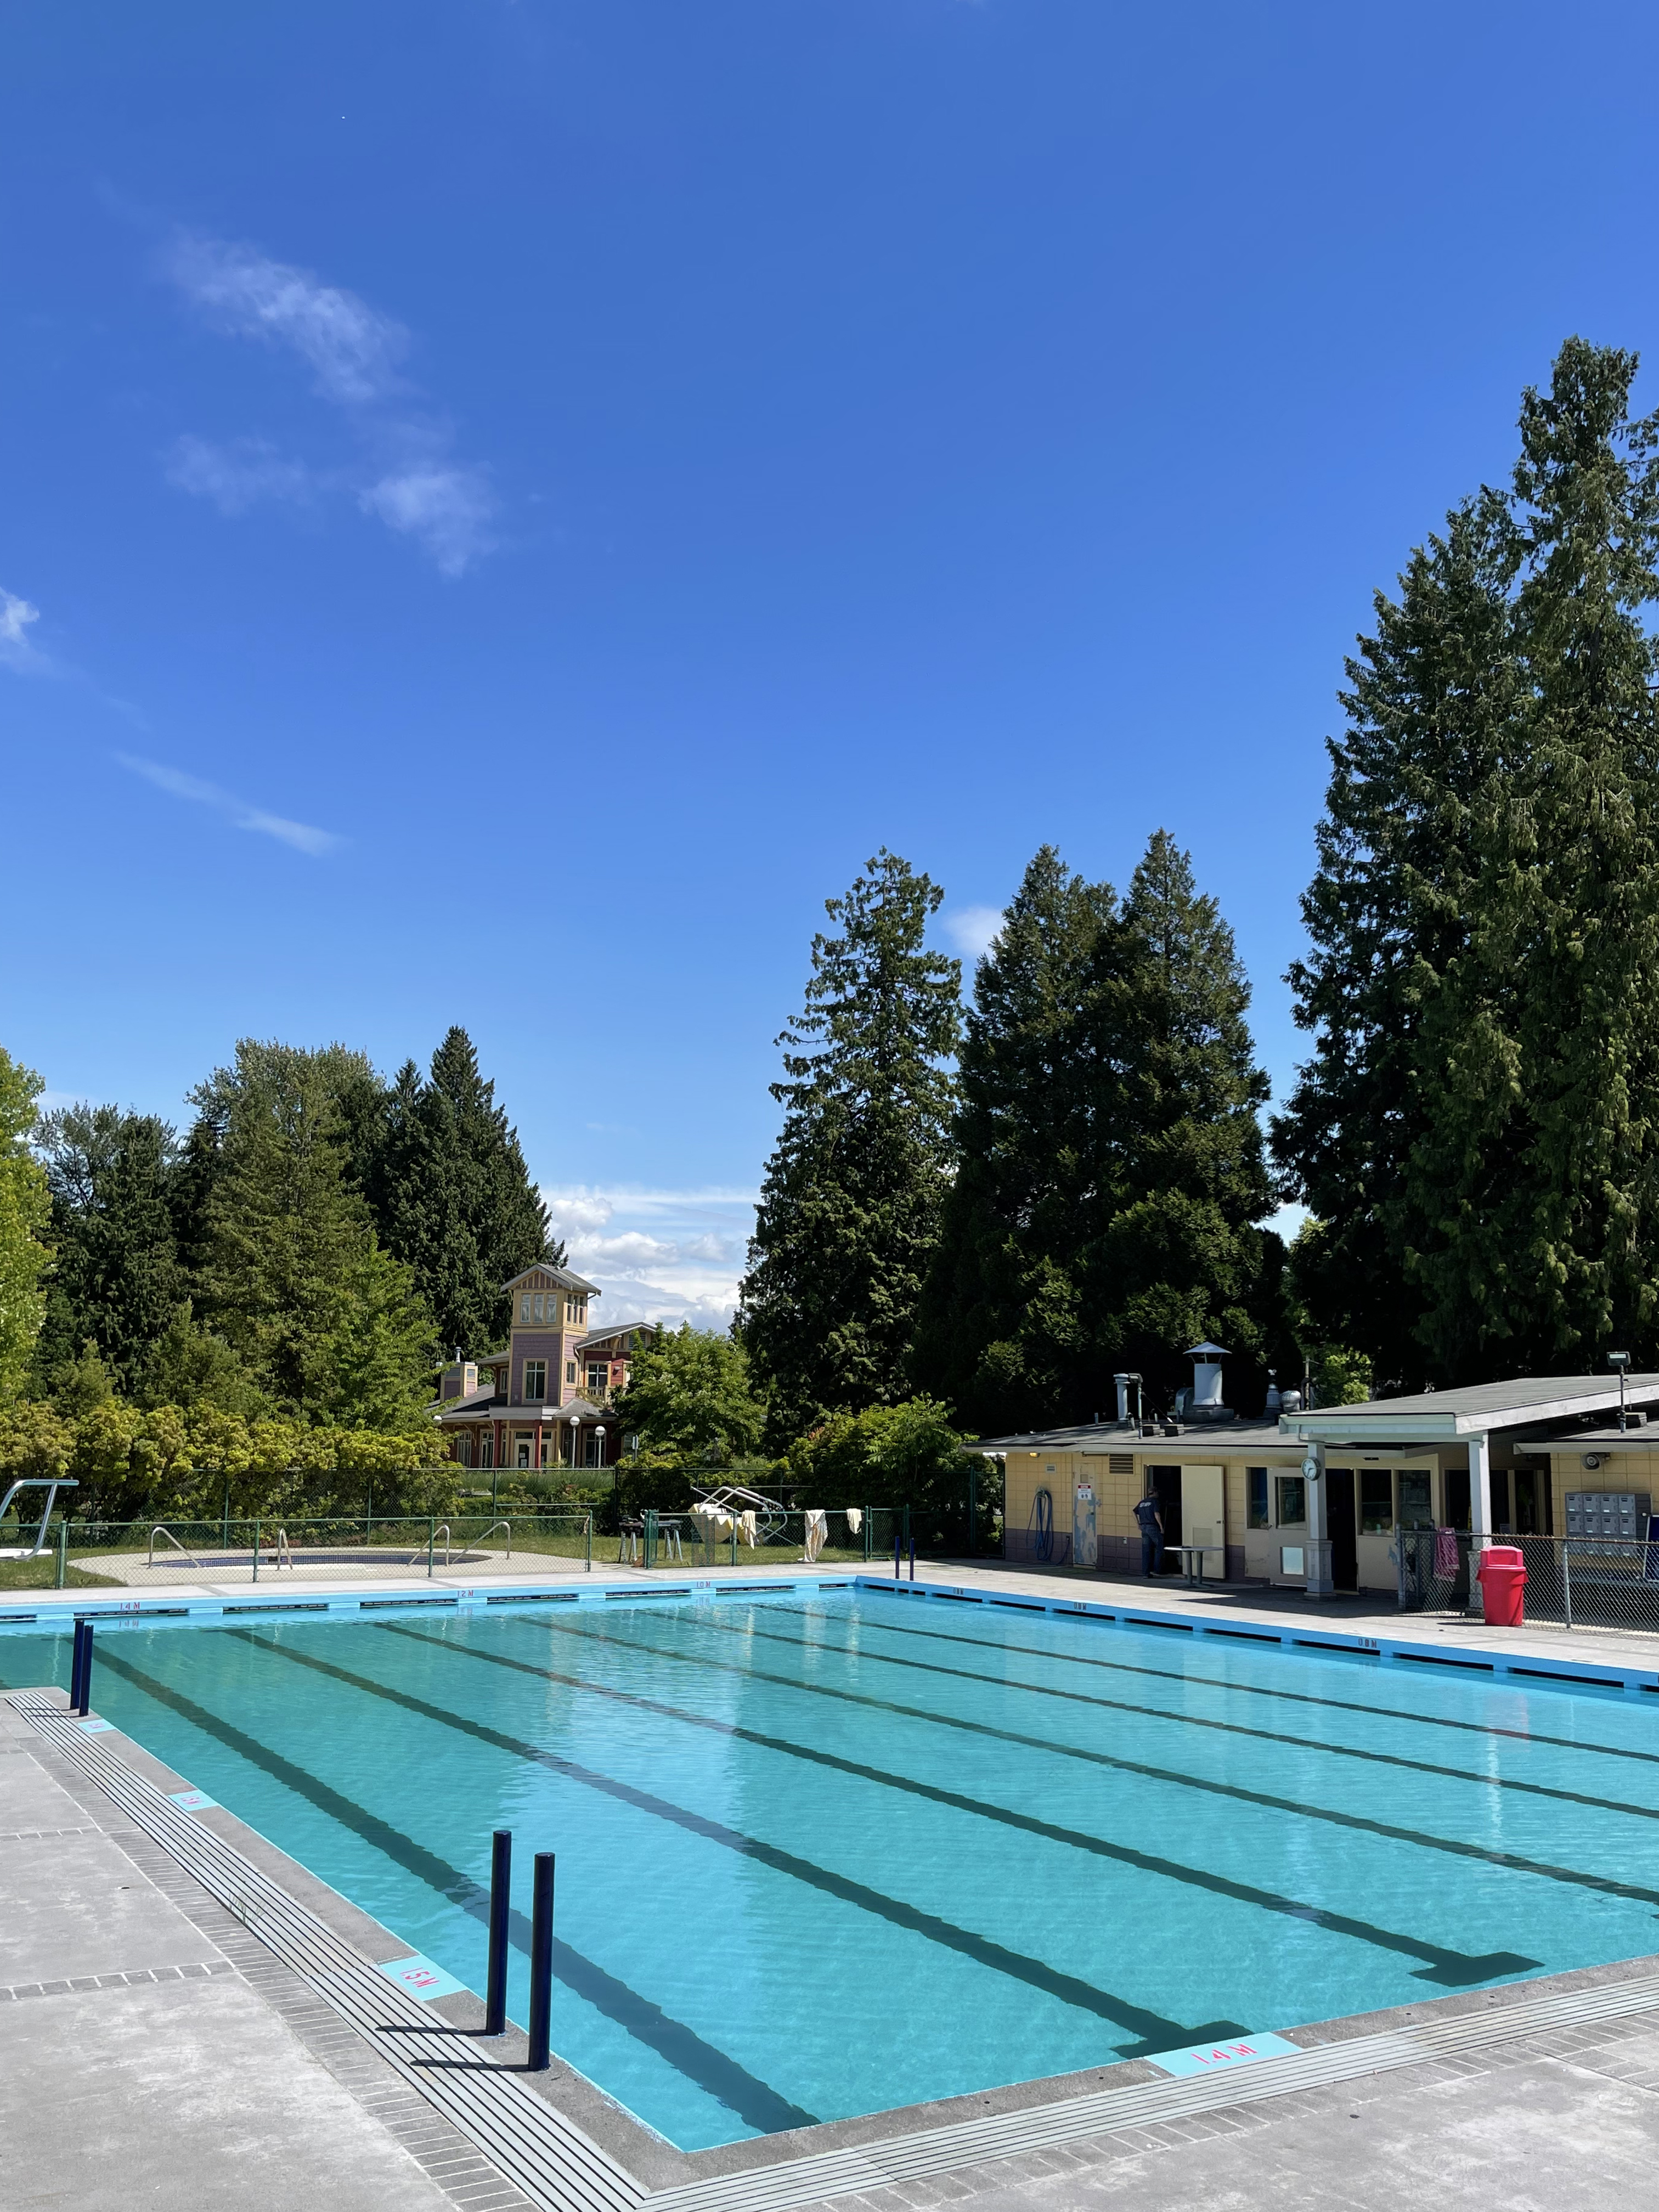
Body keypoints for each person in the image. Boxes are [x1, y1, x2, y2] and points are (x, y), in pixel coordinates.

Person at [1133, 1488, 1165, 1578]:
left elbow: (1133, 1511)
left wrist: (1138, 1524)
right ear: (1155, 1493)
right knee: (1159, 1547)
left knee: (1146, 1550)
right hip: (1152, 1527)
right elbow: (1157, 1515)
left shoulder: (1142, 1503)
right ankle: (1157, 1570)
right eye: (1157, 1492)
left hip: (1144, 1527)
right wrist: (1161, 1527)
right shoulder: (1154, 1502)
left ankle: (1146, 1573)